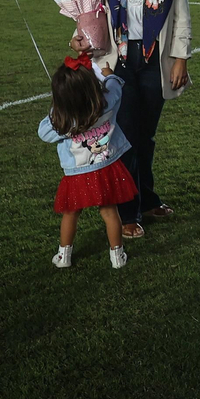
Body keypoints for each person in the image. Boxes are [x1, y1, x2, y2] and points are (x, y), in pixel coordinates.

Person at [91, 0, 191, 241]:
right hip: (119, 62)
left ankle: (147, 200)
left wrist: (180, 58)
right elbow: (93, 15)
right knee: (129, 136)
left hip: (155, 62)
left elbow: (181, 20)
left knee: (145, 136)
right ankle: (129, 211)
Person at [39, 49, 136, 269]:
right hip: (105, 168)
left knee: (71, 213)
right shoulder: (107, 103)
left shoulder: (64, 121)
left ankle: (64, 257)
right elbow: (115, 87)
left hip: (77, 174)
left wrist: (58, 108)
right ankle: (117, 257)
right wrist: (109, 74)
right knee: (110, 213)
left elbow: (43, 132)